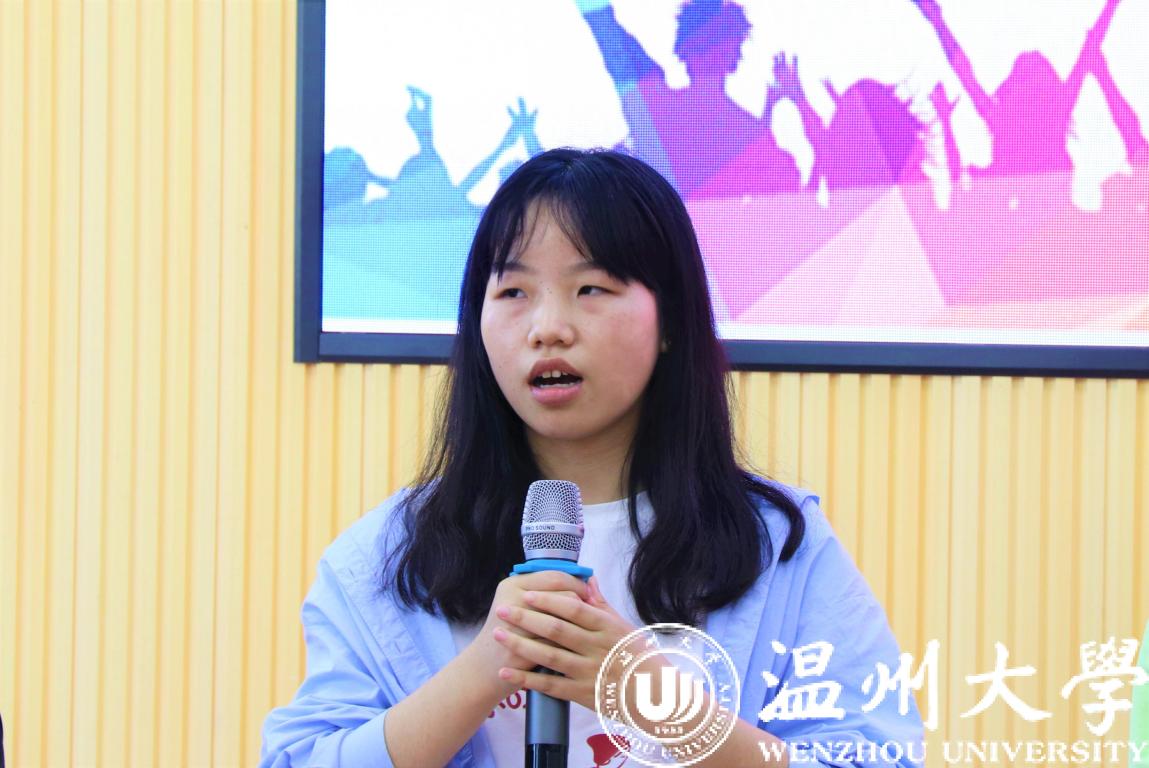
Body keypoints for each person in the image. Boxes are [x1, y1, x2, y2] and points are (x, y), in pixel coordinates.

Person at [260, 148, 925, 766]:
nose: (548, 327)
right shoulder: (386, 557)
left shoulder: (778, 549)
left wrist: (652, 699)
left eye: (591, 289)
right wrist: (484, 669)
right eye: (513, 292)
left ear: (670, 322)